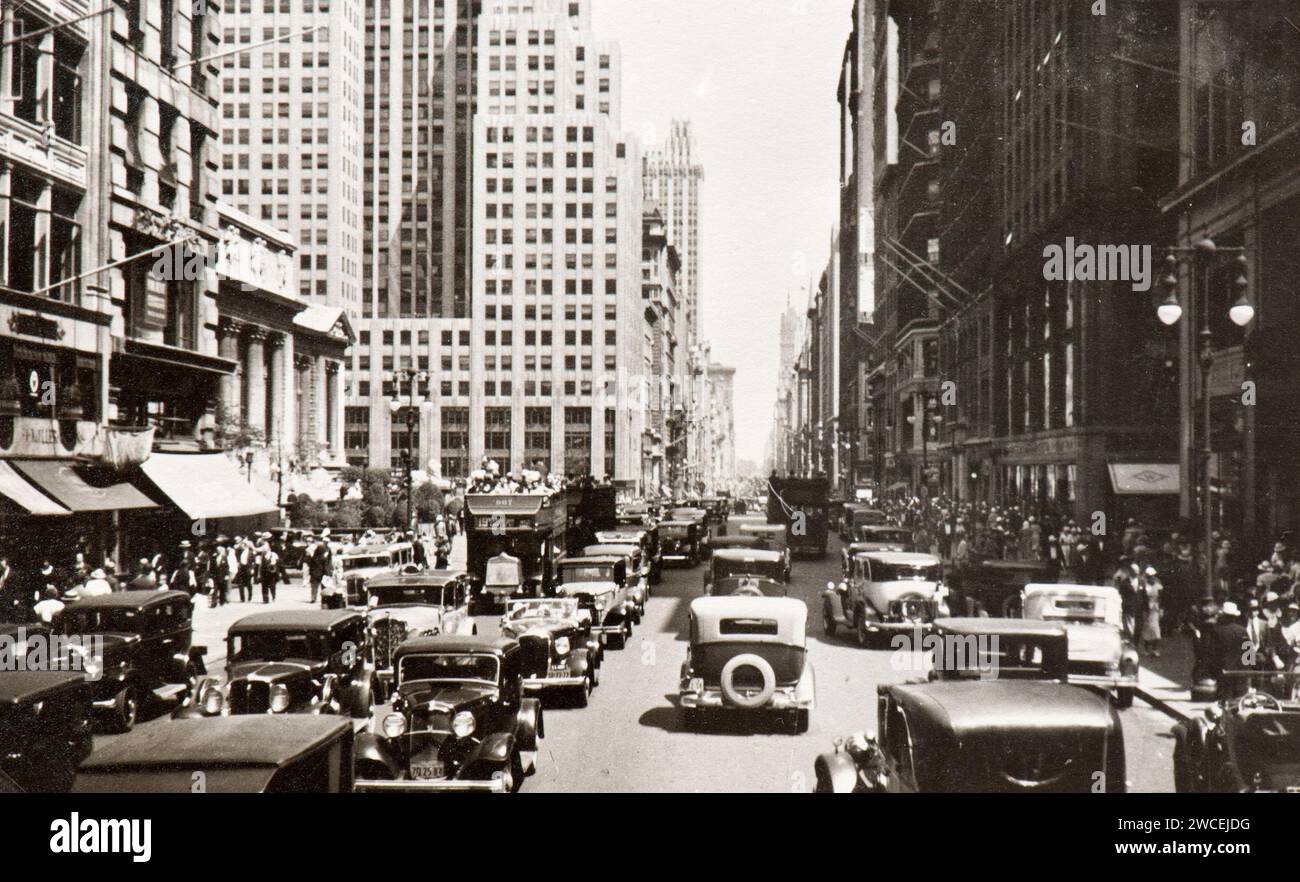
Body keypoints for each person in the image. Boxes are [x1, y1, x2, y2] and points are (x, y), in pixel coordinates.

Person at [1140, 566, 1163, 657]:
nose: (1152, 577)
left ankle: (1155, 649)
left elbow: (1161, 598)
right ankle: (1146, 649)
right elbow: (1143, 599)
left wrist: (1161, 609)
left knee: (1156, 630)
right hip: (1147, 610)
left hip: (1156, 610)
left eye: (1153, 576)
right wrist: (1143, 610)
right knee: (1147, 629)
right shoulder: (1145, 586)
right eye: (1150, 576)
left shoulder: (1158, 586)